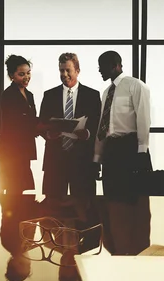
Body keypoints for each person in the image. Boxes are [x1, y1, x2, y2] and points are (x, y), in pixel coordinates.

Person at [93, 50, 151, 255]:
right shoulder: (106, 92)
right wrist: (97, 157)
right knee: (113, 202)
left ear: (114, 65)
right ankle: (117, 247)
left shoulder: (136, 86)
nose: (99, 70)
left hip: (130, 147)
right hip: (112, 150)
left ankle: (136, 249)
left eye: (102, 65)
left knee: (135, 204)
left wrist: (142, 151)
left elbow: (144, 119)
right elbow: (103, 126)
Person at [38, 53, 100, 200]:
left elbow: (98, 125)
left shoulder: (92, 96)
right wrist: (48, 134)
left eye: (68, 70)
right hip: (55, 161)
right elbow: (41, 123)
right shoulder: (49, 95)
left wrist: (88, 133)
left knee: (85, 209)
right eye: (61, 71)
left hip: (82, 161)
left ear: (77, 71)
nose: (64, 74)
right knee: (53, 210)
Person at [0, 54, 47, 195]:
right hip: (11, 150)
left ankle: (17, 215)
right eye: (21, 74)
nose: (26, 77)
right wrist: (42, 127)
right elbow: (17, 122)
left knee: (20, 188)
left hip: (23, 148)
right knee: (12, 188)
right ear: (12, 75)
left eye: (28, 73)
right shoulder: (8, 95)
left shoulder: (29, 95)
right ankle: (11, 216)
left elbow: (30, 118)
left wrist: (45, 127)